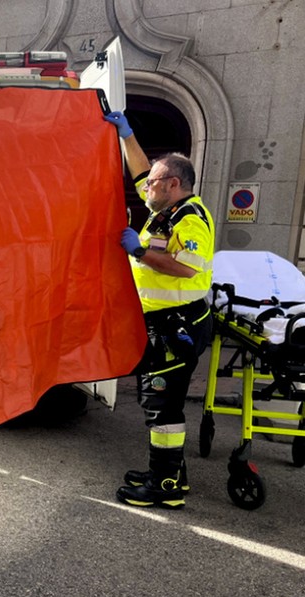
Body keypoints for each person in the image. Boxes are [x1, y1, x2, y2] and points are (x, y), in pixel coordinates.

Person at [105, 111, 215, 509]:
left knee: (161, 405)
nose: (144, 187)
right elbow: (138, 172)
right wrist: (127, 134)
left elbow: (187, 267)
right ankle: (170, 474)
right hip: (164, 324)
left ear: (173, 184)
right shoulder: (165, 209)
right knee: (157, 401)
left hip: (177, 326)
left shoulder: (191, 219)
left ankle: (165, 486)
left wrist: (141, 252)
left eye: (152, 183)